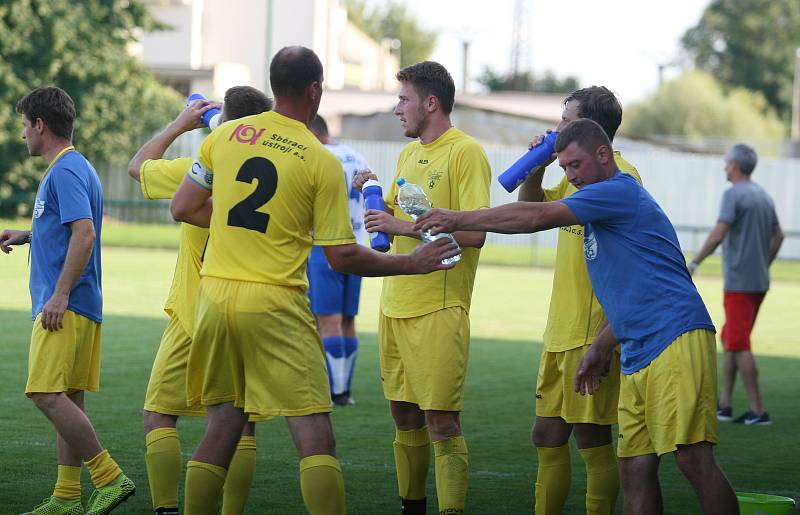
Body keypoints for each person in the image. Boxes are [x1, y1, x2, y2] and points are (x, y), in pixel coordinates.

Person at [169, 46, 459, 515]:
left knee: (223, 423)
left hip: (215, 296)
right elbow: (342, 256)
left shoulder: (224, 138)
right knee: (314, 433)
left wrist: (229, 225)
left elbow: (182, 208)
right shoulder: (319, 158)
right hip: (274, 301)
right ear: (315, 89)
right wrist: (414, 263)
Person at [414, 119, 740, 515]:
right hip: (638, 347)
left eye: (575, 165)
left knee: (692, 457)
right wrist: (599, 349)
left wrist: (457, 218)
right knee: (635, 467)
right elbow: (633, 290)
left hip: (675, 336)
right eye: (564, 168)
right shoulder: (599, 202)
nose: (570, 176)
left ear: (603, 154)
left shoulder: (617, 190)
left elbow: (535, 218)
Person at [127, 86, 273, 515]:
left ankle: (170, 510)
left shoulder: (202, 164)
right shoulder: (275, 166)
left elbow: (138, 167)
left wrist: (181, 123)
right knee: (239, 425)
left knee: (158, 414)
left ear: (221, 122)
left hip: (195, 311)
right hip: (248, 308)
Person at [353, 61, 491, 515]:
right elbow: (396, 211)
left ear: (431, 103)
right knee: (403, 416)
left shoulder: (466, 152)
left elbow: (475, 233)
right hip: (395, 303)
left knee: (442, 422)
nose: (396, 109)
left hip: (440, 307)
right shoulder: (408, 156)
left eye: (403, 99)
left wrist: (401, 226)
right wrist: (371, 187)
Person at [1, 87, 135, 515]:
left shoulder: (64, 171)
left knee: (44, 393)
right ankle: (66, 496)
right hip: (80, 304)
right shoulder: (74, 167)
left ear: (41, 125)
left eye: (25, 125)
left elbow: (85, 232)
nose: (23, 134)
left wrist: (59, 294)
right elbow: (67, 227)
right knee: (68, 398)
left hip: (66, 305)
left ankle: (109, 477)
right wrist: (27, 235)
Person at [516, 86, 638, 515]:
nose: (557, 127)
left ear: (592, 130)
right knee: (546, 435)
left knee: (591, 437)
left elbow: (528, 218)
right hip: (560, 330)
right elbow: (531, 209)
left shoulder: (621, 177)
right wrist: (536, 169)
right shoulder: (574, 174)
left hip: (593, 332)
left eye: (566, 121)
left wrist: (461, 219)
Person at [688, 143, 783, 426]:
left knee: (739, 343)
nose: (724, 166)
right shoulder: (764, 195)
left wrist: (694, 263)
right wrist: (763, 263)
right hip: (758, 281)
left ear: (736, 166)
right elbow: (778, 236)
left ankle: (758, 410)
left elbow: (719, 234)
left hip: (740, 282)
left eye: (727, 162)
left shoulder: (733, 195)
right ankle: (725, 404)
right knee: (731, 339)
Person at [307, 114, 369, 406]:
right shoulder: (355, 156)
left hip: (325, 245)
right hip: (356, 245)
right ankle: (345, 389)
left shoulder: (316, 156)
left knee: (326, 321)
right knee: (347, 320)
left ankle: (335, 391)